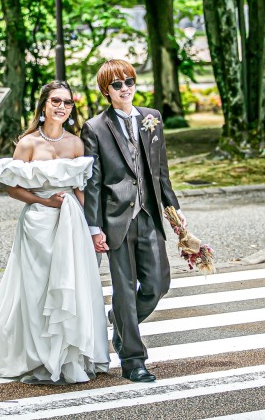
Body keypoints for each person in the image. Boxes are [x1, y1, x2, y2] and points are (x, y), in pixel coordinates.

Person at [0, 81, 109, 384]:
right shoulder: (28, 144)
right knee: (37, 289)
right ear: (43, 106)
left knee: (72, 284)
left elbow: (82, 192)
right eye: (56, 101)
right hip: (38, 222)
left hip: (71, 223)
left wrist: (92, 229)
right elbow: (13, 188)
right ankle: (36, 355)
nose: (62, 107)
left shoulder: (76, 144)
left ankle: (69, 356)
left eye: (67, 103)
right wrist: (43, 201)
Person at [81, 59, 184, 383]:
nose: (125, 88)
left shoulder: (152, 118)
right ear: (106, 91)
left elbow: (159, 168)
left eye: (129, 82)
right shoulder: (95, 127)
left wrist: (172, 207)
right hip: (116, 218)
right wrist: (94, 227)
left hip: (149, 214)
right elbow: (93, 182)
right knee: (124, 289)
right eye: (117, 85)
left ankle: (122, 323)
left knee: (158, 283)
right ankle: (133, 360)